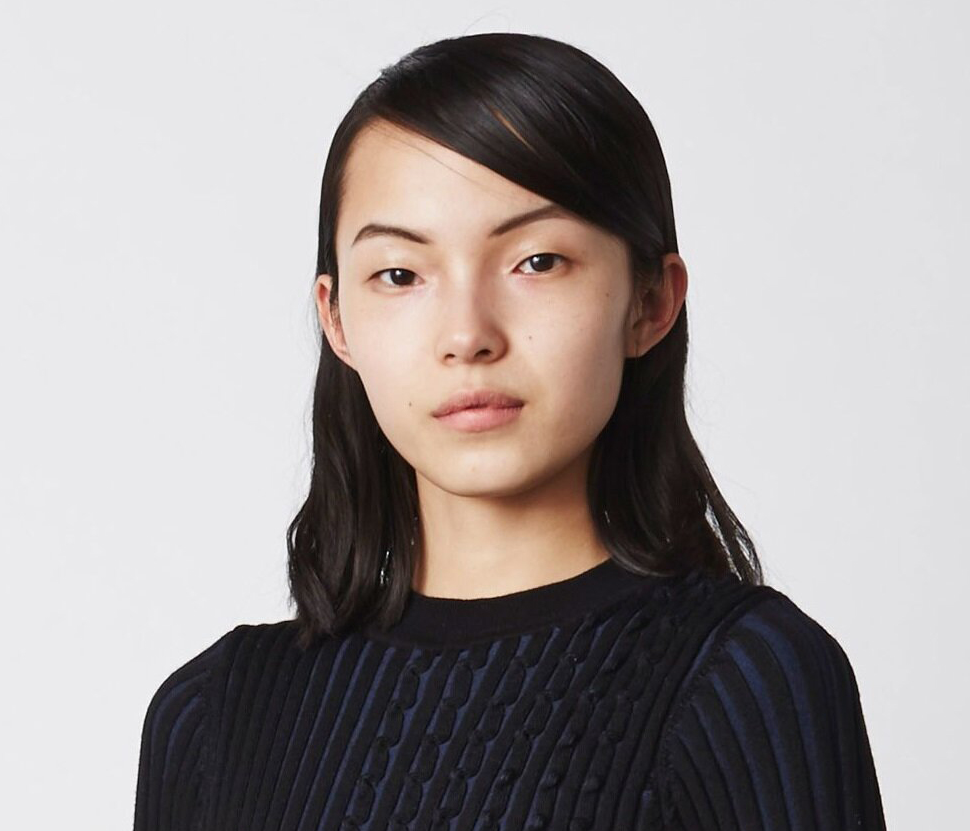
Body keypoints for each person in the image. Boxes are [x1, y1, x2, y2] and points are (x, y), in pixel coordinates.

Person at [133, 32, 886, 830]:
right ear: (337, 319)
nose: (467, 334)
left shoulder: (745, 678)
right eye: (399, 274)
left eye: (537, 262)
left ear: (650, 302)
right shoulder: (211, 714)